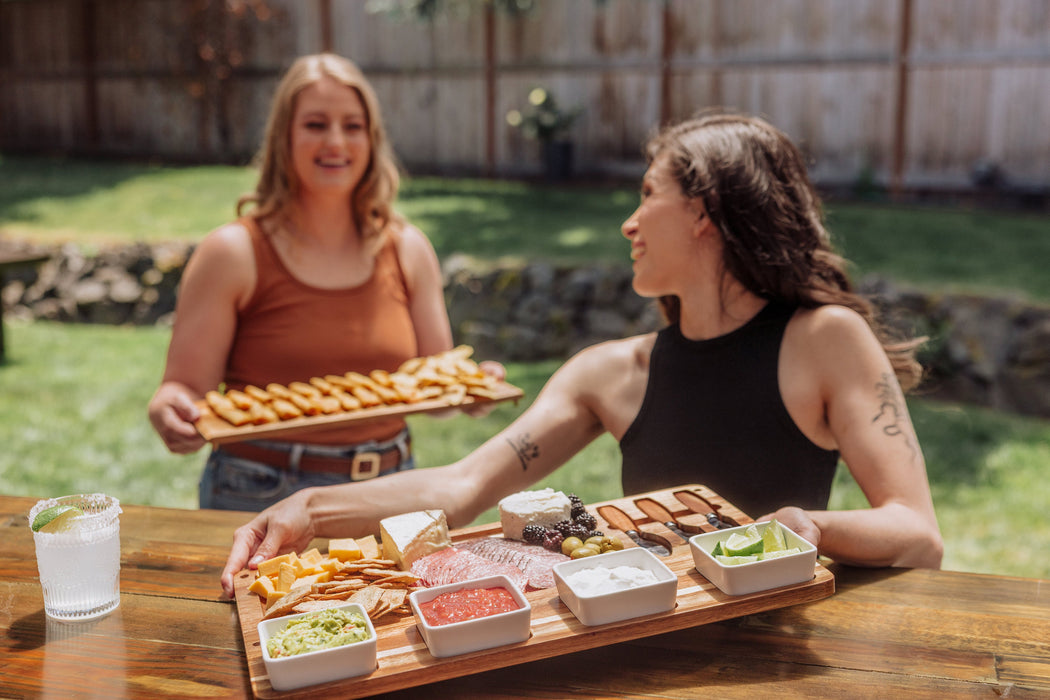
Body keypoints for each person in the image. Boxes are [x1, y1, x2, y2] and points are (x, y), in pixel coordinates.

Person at [220, 111, 944, 596]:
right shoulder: (611, 373)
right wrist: (309, 510)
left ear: (704, 212)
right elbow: (462, 487)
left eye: (647, 195)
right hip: (642, 647)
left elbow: (916, 534)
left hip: (778, 651)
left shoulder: (824, 341)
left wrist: (812, 527)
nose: (629, 223)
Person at [148, 53, 499, 511]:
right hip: (260, 488)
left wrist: (471, 388)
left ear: (371, 139)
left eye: (352, 126)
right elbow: (185, 387)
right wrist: (170, 408)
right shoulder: (232, 253)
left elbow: (437, 394)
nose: (336, 141)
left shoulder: (408, 248)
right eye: (315, 124)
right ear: (284, 138)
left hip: (389, 486)